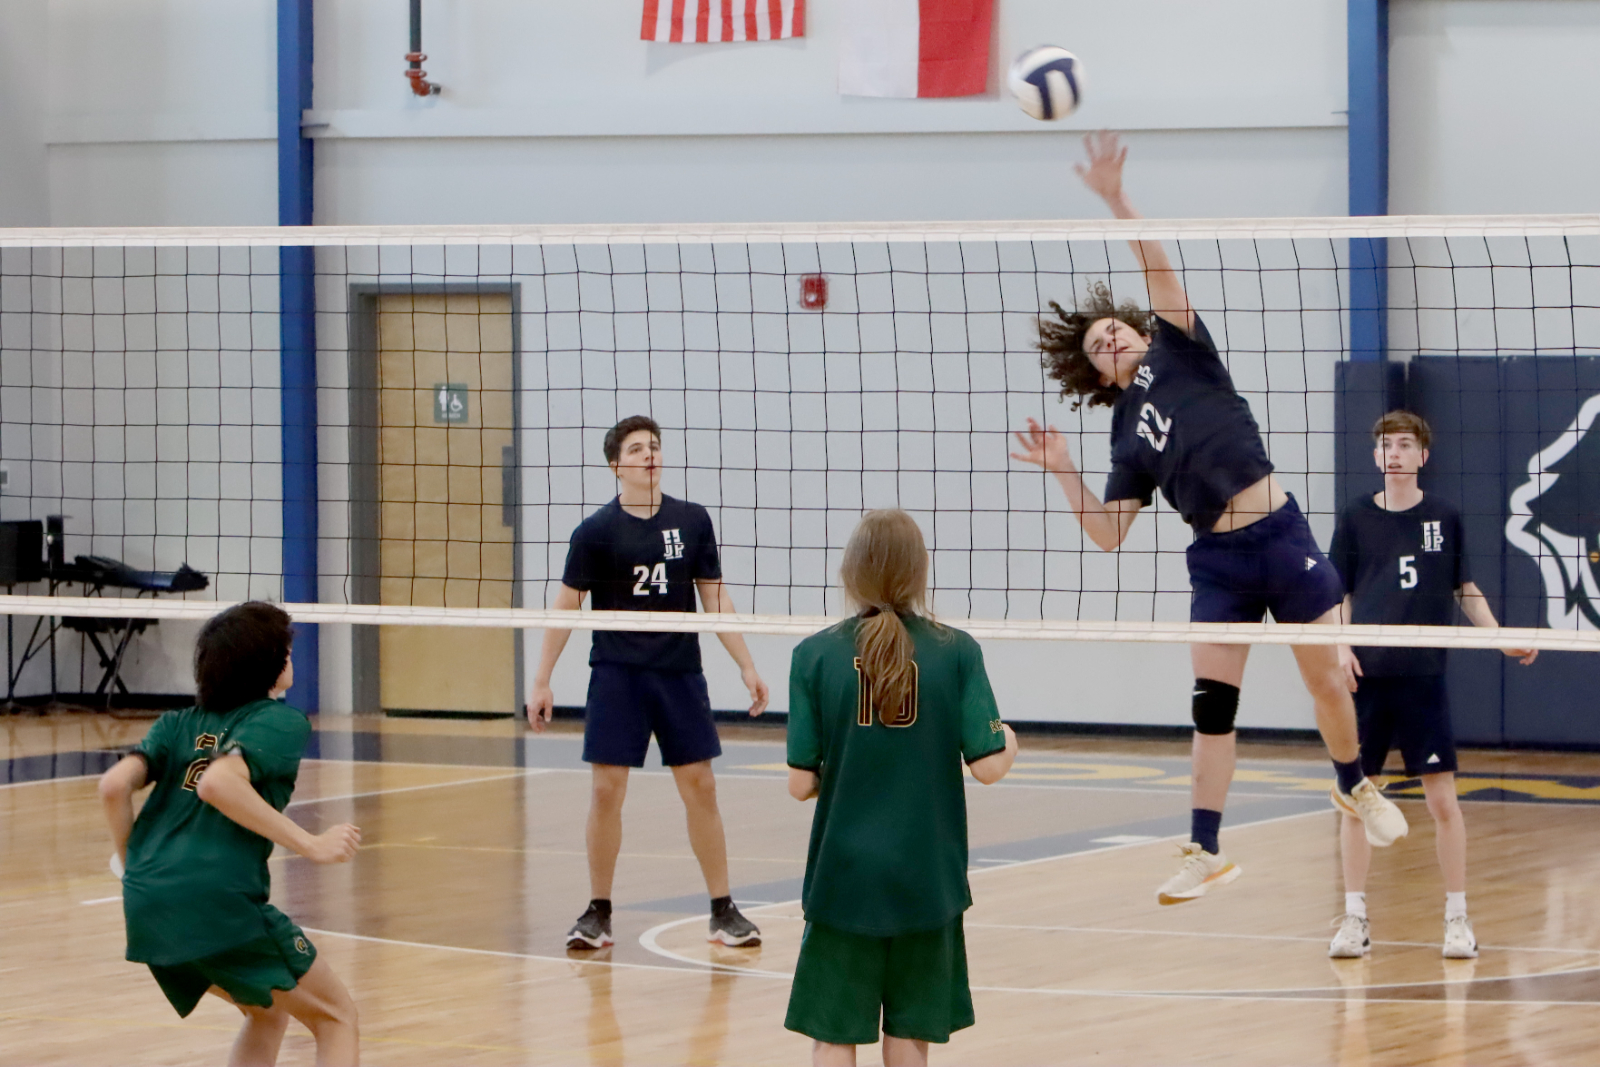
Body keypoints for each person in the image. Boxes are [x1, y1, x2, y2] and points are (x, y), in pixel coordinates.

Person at [1010, 130, 1408, 906]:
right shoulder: (1124, 433)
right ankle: (1205, 847)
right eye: (1098, 343)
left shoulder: (1180, 348)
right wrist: (1063, 472)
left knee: (1327, 678)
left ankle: (1354, 784)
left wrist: (1116, 198)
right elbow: (1109, 531)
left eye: (1114, 326)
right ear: (1097, 370)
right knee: (1211, 706)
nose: (1111, 335)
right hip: (1217, 562)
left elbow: (1156, 267)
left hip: (1281, 532)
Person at [783, 509, 1018, 1067]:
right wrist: (1009, 738)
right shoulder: (956, 650)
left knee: (834, 1034)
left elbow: (799, 784)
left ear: (850, 572)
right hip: (927, 878)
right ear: (920, 572)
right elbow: (987, 767)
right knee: (910, 1035)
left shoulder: (813, 656)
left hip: (844, 880)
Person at [527, 414, 771, 950]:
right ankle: (598, 911)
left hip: (679, 671)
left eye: (654, 447)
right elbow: (567, 605)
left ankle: (722, 908)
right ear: (617, 466)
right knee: (606, 789)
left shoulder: (692, 521)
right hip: (617, 674)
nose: (648, 455)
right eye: (637, 449)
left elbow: (715, 598)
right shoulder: (595, 532)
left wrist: (746, 665)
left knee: (701, 786)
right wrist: (542, 679)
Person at [98, 601, 361, 1067]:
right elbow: (217, 784)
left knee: (265, 1009)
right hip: (218, 905)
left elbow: (113, 786)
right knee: (336, 1017)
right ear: (271, 663)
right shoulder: (279, 720)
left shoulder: (176, 723)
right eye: (286, 650)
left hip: (147, 909)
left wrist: (135, 869)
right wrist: (311, 844)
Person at [1326, 410, 1537, 960]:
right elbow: (1336, 596)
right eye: (1385, 445)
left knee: (1443, 800)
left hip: (1423, 677)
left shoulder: (1444, 516)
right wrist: (1341, 646)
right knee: (1356, 800)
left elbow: (1464, 588)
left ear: (1423, 456)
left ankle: (1457, 917)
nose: (1393, 453)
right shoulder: (1353, 517)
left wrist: (1498, 637)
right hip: (1366, 679)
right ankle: (1354, 917)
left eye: (1404, 445)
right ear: (1375, 457)